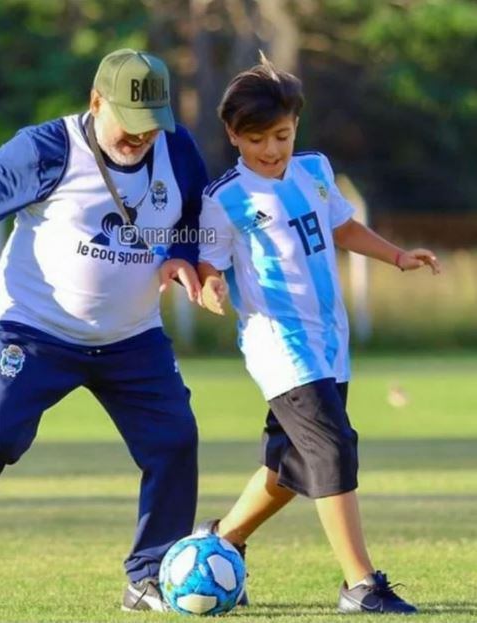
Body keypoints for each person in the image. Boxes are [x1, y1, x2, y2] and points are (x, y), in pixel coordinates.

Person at [0, 48, 208, 612]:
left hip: (132, 337)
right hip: (36, 331)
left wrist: (180, 254)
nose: (142, 138)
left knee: (175, 441)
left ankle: (148, 574)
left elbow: (196, 215)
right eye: (131, 123)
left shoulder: (178, 149)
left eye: (153, 126)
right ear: (97, 101)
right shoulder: (46, 150)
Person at [196, 54, 440, 614]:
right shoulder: (223, 199)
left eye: (281, 134)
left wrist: (396, 256)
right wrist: (211, 287)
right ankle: (360, 584)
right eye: (256, 138)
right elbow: (209, 263)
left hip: (330, 342)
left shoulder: (315, 171)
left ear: (295, 127)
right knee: (331, 449)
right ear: (233, 135)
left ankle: (219, 543)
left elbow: (344, 226)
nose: (271, 149)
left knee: (290, 467)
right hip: (280, 345)